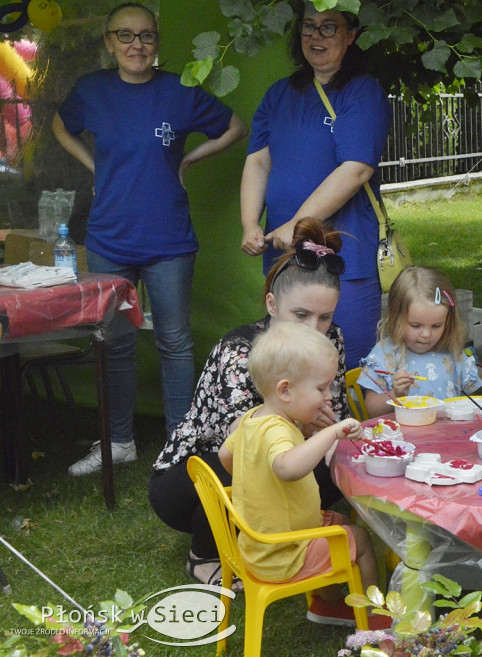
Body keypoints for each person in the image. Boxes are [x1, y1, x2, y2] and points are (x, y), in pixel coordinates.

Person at [52, 2, 247, 476]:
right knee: (115, 341)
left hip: (169, 240)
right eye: (125, 36)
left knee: (174, 342)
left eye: (146, 36)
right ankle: (118, 441)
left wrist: (189, 160)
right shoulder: (91, 90)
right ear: (108, 43)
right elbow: (61, 126)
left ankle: (180, 445)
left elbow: (234, 127)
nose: (136, 45)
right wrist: (95, 166)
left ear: (157, 43)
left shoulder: (179, 90)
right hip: (109, 238)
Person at [149, 218, 348, 590]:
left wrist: (327, 430)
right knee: (258, 463)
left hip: (281, 450)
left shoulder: (331, 339)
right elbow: (244, 440)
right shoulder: (241, 349)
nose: (314, 329)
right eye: (301, 315)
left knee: (336, 464)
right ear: (272, 303)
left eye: (326, 317)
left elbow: (331, 409)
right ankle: (204, 555)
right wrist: (311, 430)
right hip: (195, 474)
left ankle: (282, 540)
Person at [240, 1, 391, 371]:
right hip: (284, 258)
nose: (316, 36)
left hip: (345, 258)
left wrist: (297, 224)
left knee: (347, 364)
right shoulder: (279, 94)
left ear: (351, 34)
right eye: (309, 27)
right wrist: (249, 224)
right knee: (291, 362)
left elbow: (356, 170)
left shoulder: (362, 91)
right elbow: (258, 160)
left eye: (329, 27)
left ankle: (349, 429)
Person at [219, 321, 388, 628]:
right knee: (360, 540)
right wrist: (333, 433)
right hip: (283, 554)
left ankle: (329, 603)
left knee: (338, 524)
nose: (327, 396)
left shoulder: (253, 418)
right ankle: (375, 617)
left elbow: (225, 456)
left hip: (259, 543)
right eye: (321, 388)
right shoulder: (276, 431)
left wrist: (254, 479)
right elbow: (288, 468)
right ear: (285, 390)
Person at [358, 266, 481, 418]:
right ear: (396, 319)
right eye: (416, 326)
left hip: (448, 437)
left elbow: (475, 401)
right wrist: (395, 394)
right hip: (403, 438)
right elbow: (372, 410)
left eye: (436, 326)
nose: (426, 335)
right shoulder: (385, 355)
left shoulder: (452, 352)